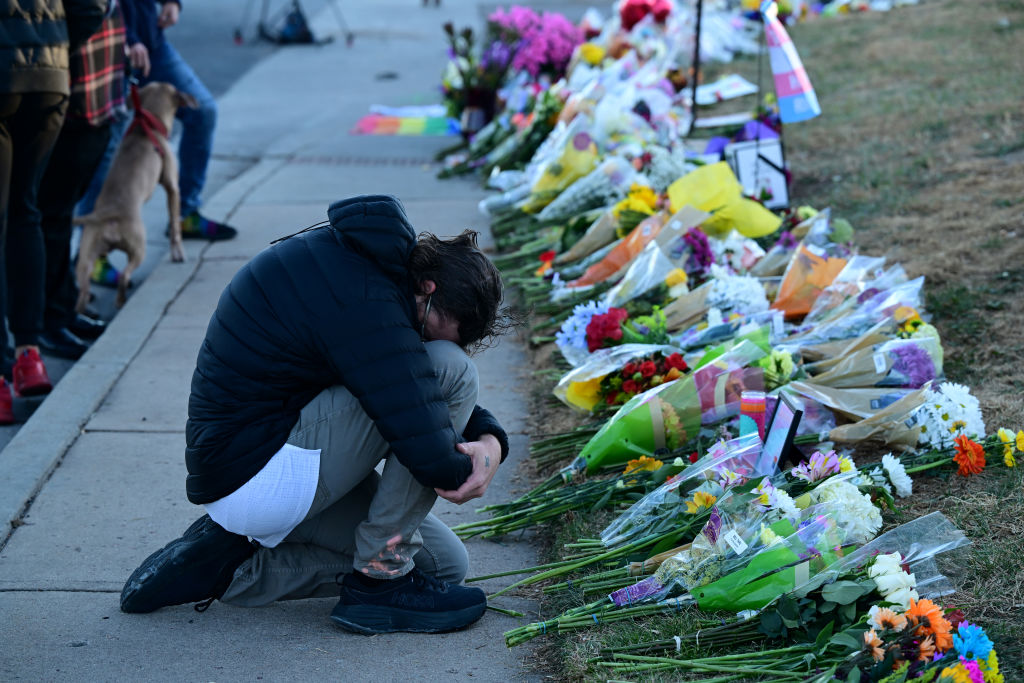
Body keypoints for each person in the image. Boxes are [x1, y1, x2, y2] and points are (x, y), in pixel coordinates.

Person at [120, 195, 514, 634]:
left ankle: (225, 568)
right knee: (453, 369)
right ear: (428, 290)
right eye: (434, 333)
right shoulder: (364, 297)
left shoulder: (366, 271)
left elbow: (407, 386)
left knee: (443, 566)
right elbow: (431, 444)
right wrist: (468, 464)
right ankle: (379, 583)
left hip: (257, 469)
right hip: (260, 471)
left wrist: (490, 440)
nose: (428, 344)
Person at [0, 0, 107, 421]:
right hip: (50, 74)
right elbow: (92, 5)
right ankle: (29, 357)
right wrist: (57, 41)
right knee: (26, 211)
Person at [80, 0, 238, 268]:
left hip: (152, 45)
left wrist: (171, 2)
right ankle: (92, 252)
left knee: (203, 112)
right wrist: (126, 38)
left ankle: (185, 213)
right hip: (109, 49)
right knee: (106, 148)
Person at [36, 1, 128, 361]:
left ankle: (61, 311)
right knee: (51, 216)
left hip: (94, 92)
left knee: (56, 215)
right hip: (76, 96)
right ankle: (50, 320)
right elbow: (87, 10)